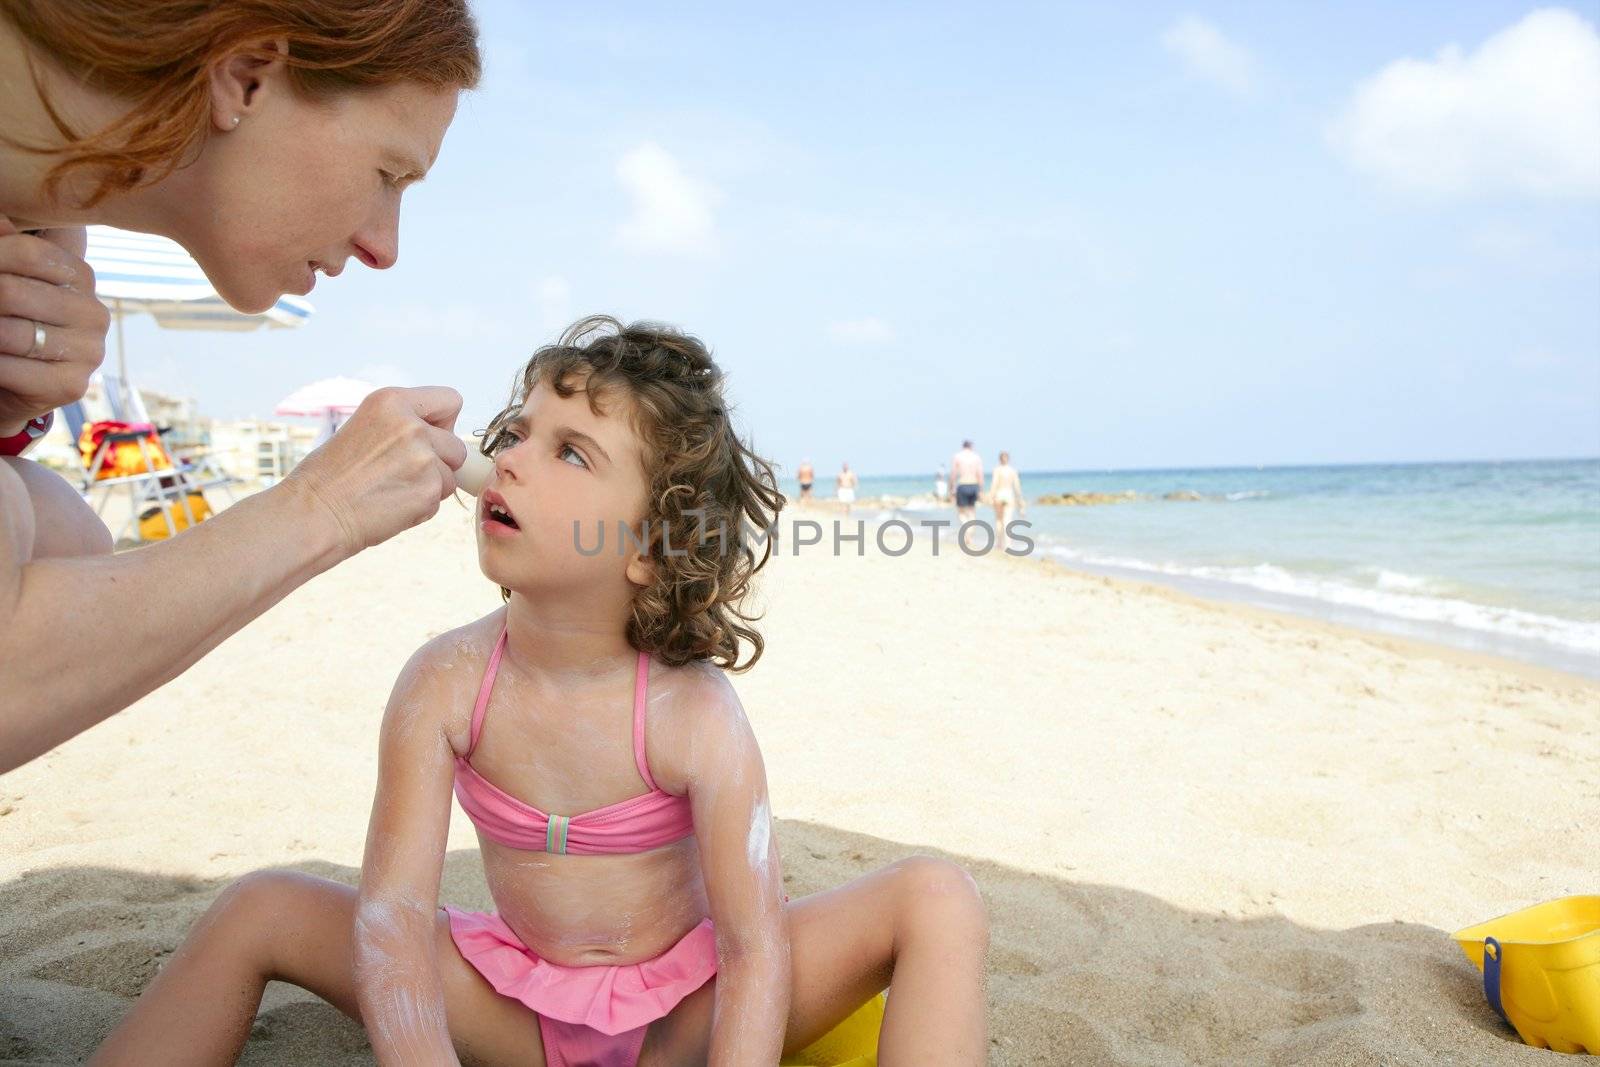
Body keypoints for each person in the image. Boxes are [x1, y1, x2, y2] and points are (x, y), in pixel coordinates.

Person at [91, 318, 990, 1065]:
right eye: (516, 432)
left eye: (571, 452)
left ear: (647, 546)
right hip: (509, 1014)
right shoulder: (444, 683)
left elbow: (755, 951)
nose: (512, 459)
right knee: (262, 905)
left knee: (936, 896)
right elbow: (396, 917)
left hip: (685, 1022)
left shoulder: (692, 711)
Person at [0, 1, 482, 772]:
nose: (384, 247)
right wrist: (321, 506)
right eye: (388, 174)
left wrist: (12, 413)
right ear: (246, 76)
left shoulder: (37, 233)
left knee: (63, 527)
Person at [989, 450, 1025, 548]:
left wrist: (990, 497)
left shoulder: (997, 470)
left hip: (999, 495)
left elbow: (994, 484)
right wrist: (1020, 500)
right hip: (1009, 495)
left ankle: (999, 543)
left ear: (999, 459)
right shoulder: (1012, 471)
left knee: (999, 520)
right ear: (1008, 459)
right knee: (1007, 520)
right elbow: (1017, 487)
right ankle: (1008, 543)